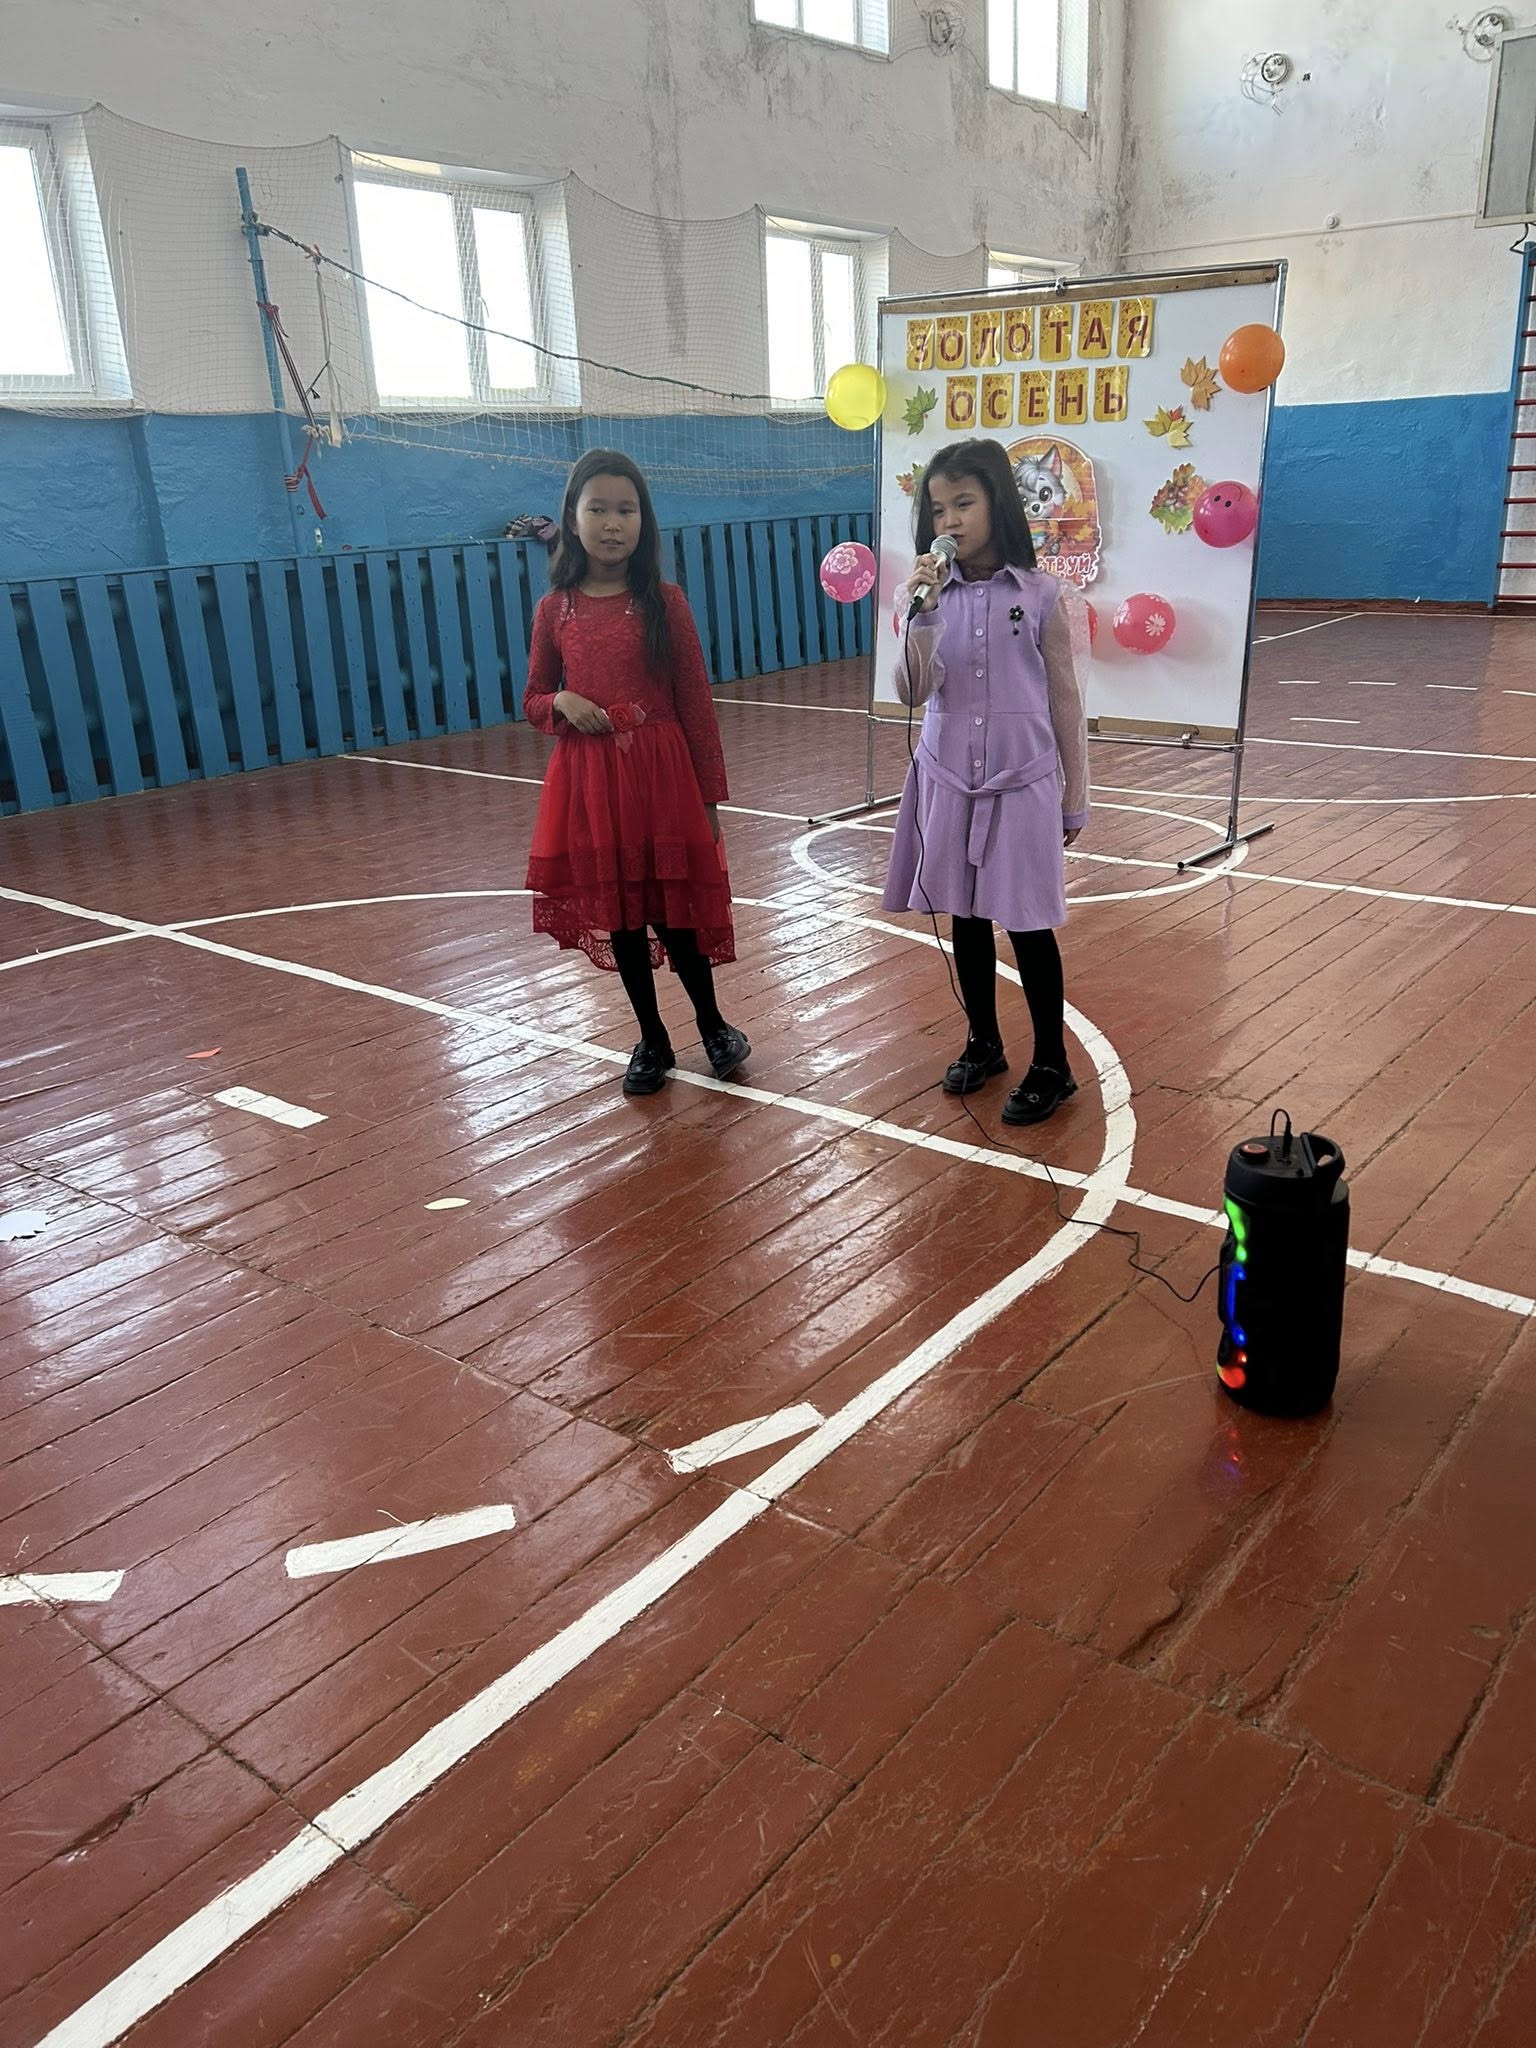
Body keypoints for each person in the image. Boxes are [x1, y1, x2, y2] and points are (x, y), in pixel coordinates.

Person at [524, 450, 750, 1097]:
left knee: (675, 913)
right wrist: (562, 703)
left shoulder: (665, 603)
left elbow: (695, 702)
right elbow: (533, 697)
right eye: (597, 509)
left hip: (663, 778)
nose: (612, 523)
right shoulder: (555, 609)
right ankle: (652, 1038)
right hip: (593, 785)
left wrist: (709, 798)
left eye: (626, 510)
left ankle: (713, 1026)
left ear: (643, 521)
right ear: (573, 518)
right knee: (622, 915)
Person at [882, 438, 1089, 1125]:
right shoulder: (921, 596)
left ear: (997, 503)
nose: (950, 520)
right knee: (965, 915)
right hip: (947, 777)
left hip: (1022, 780)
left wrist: (1074, 796)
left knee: (1028, 923)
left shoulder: (1041, 594)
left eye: (963, 503)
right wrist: (923, 612)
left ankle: (1052, 1062)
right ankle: (984, 1041)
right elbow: (912, 690)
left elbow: (1065, 700)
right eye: (938, 509)